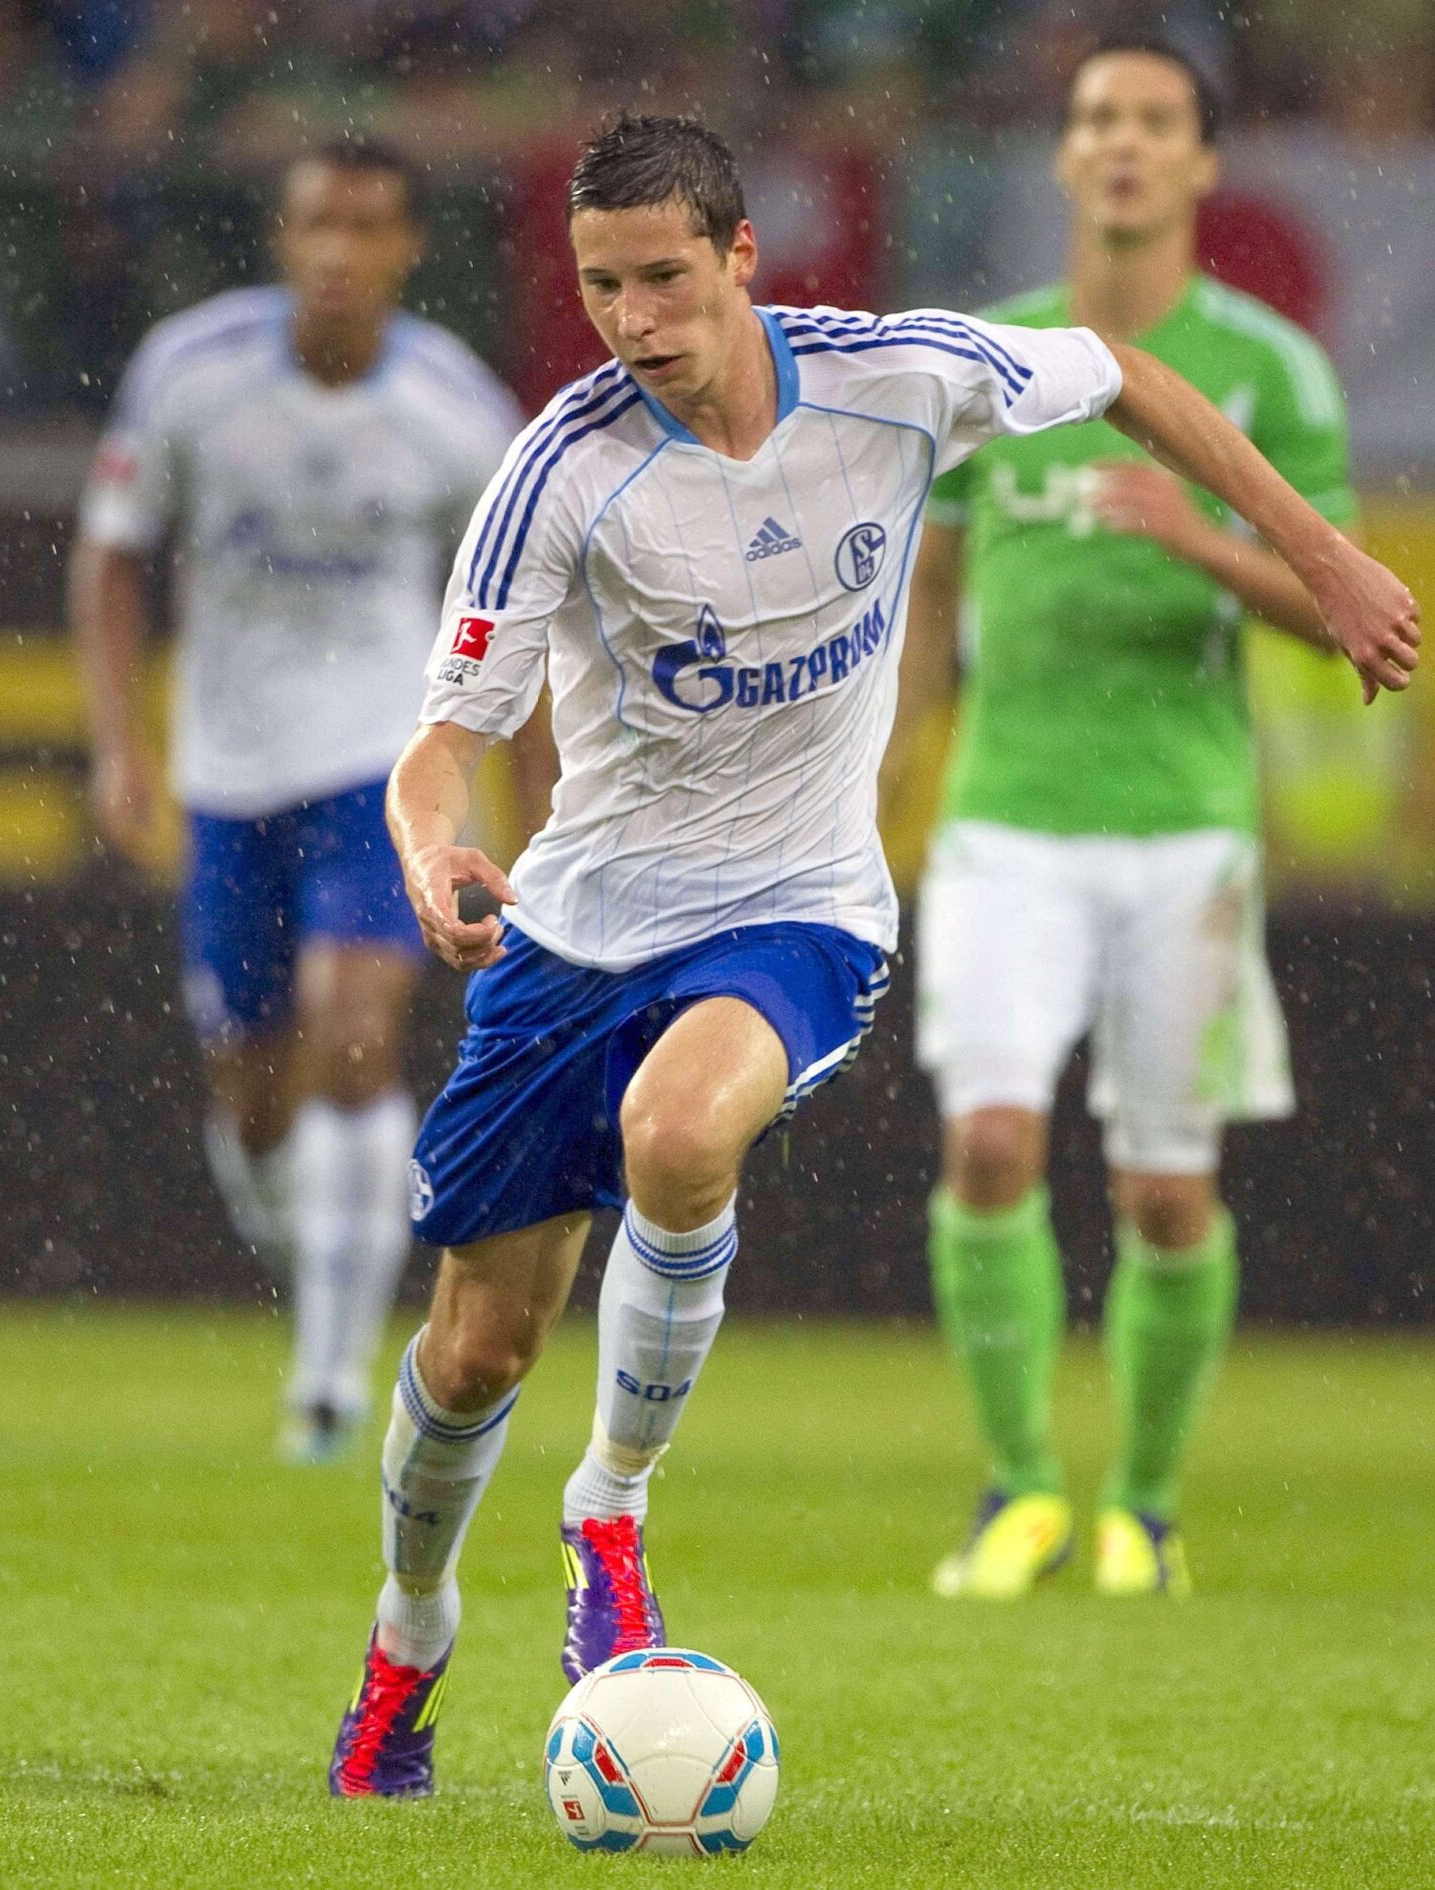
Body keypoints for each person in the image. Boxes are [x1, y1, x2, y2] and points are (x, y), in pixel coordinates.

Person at [327, 112, 1414, 1798]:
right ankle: (408, 1640)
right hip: (579, 926)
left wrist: (1322, 553)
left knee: (683, 1134)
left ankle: (608, 1511)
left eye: (667, 278)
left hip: (799, 905)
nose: (633, 318)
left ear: (744, 258)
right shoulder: (560, 464)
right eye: (602, 285)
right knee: (476, 1347)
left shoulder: (900, 377)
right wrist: (431, 852)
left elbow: (1127, 369)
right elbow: (436, 748)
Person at [884, 41, 1365, 1603]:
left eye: (1156, 121)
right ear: (1064, 157)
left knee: (1165, 1189)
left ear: (1205, 165)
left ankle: (1142, 1507)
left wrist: (1204, 540)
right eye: (1098, 118)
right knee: (993, 1141)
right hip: (1004, 816)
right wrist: (887, 766)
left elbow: (1347, 615)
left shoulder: (1269, 372)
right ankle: (1017, 1488)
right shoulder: (995, 356)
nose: (1124, 145)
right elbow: (932, 588)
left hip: (1184, 828)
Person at [71, 138, 524, 1462]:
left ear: (406, 248)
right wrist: (120, 744)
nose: (338, 250)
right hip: (227, 768)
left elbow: (516, 597)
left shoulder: (458, 409)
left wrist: (502, 774)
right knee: (256, 1102)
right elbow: (110, 560)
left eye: (366, 226)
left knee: (356, 1025)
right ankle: (327, 1275)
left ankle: (329, 1378)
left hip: (378, 761)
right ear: (282, 239)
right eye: (317, 223)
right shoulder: (191, 373)